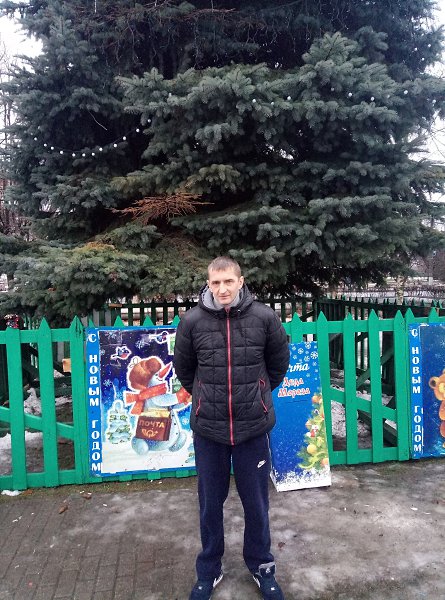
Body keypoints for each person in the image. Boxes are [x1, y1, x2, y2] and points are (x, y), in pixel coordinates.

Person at [173, 256, 290, 600]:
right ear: (208, 284)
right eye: (215, 283)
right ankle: (209, 569)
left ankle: (261, 565)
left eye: (228, 282)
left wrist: (257, 394)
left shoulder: (264, 318)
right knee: (210, 505)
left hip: (252, 428)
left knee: (257, 504)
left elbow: (278, 364)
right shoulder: (191, 322)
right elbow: (184, 369)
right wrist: (206, 398)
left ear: (241, 282)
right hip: (209, 430)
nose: (222, 289)